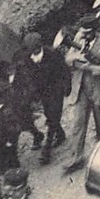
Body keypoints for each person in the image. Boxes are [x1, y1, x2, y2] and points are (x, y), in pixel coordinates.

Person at [63, 14, 100, 174]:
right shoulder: (79, 37)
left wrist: (92, 68)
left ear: (94, 31)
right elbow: (68, 58)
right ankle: (76, 157)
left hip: (99, 88)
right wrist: (76, 57)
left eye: (87, 33)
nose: (83, 36)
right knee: (78, 123)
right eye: (82, 32)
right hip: (81, 88)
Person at [22, 32, 72, 165]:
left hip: (56, 89)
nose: (33, 53)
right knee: (49, 113)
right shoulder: (27, 58)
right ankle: (60, 135)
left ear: (40, 46)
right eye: (30, 50)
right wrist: (33, 92)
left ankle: (47, 149)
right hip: (43, 91)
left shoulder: (53, 54)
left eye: (36, 50)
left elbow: (65, 70)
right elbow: (30, 76)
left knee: (53, 116)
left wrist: (67, 86)